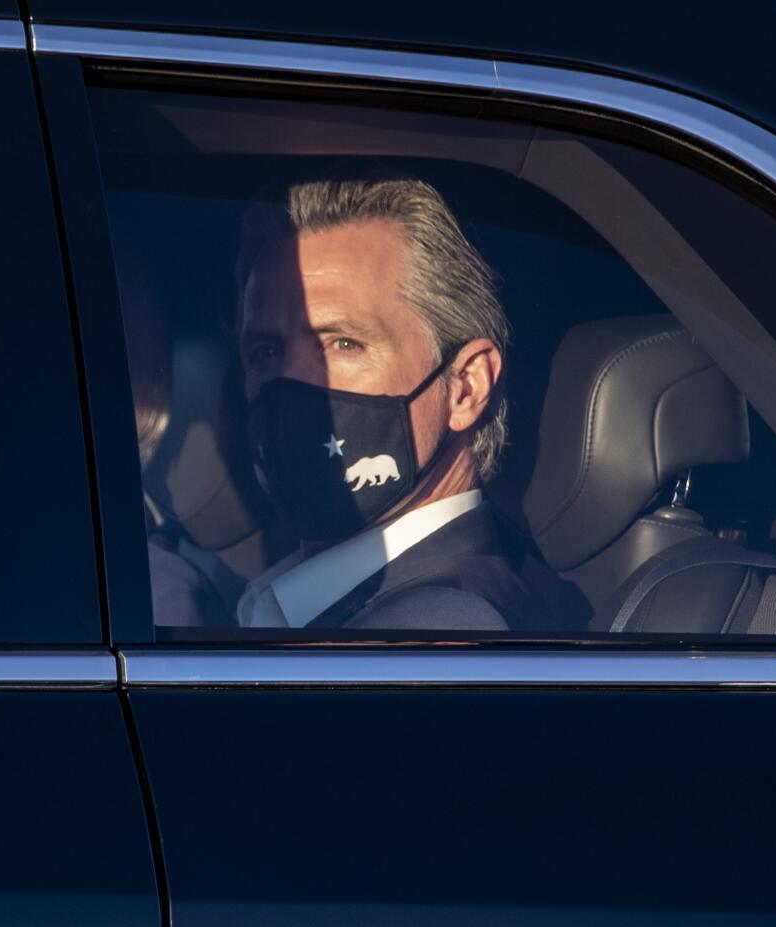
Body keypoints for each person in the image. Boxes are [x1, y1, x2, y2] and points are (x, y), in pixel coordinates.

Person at [232, 173, 576, 632]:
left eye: (344, 344)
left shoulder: (439, 634)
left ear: (466, 387)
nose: (288, 383)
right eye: (266, 351)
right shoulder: (307, 605)